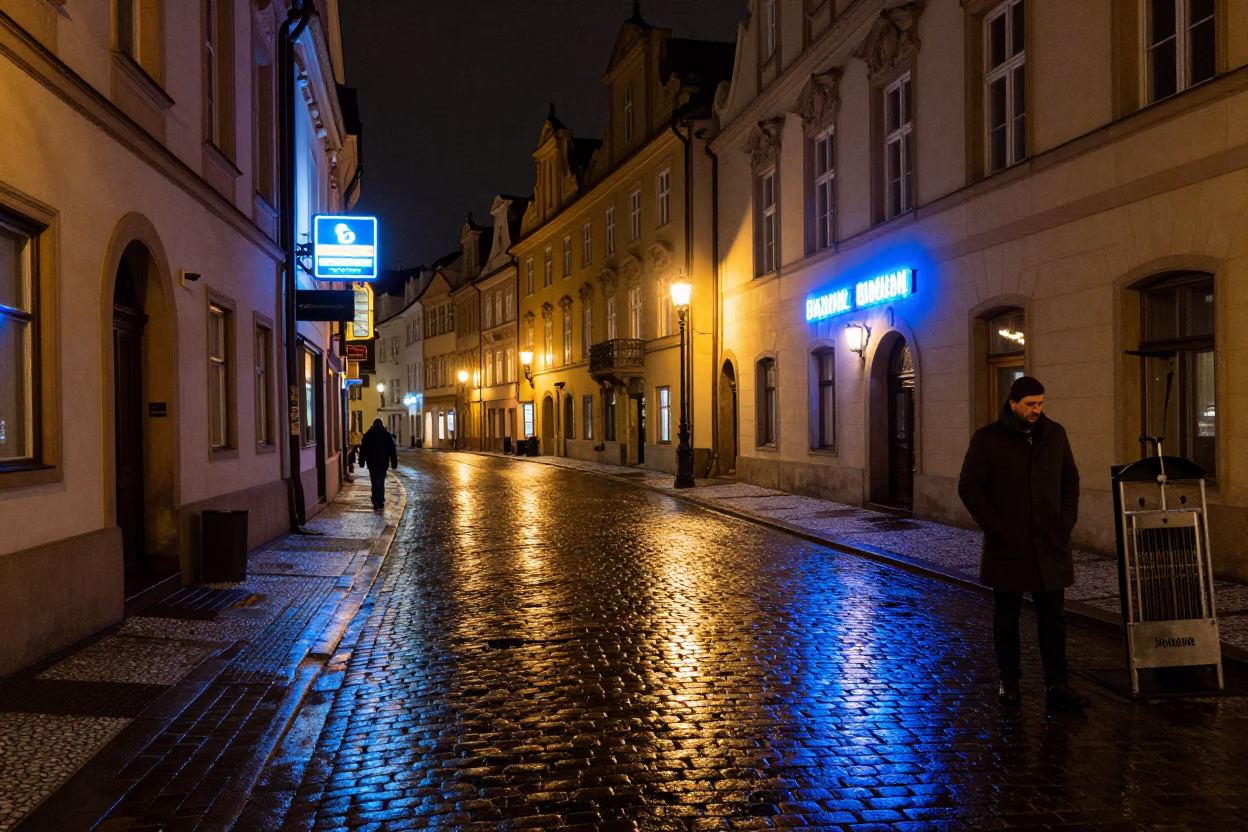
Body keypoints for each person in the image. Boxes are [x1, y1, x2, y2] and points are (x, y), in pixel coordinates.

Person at [958, 376, 1091, 712]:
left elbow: (1070, 481)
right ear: (1013, 404)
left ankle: (1058, 684)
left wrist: (1065, 522)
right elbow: (970, 487)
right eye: (1030, 404)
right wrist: (996, 526)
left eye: (1040, 403)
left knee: (1054, 619)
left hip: (1050, 544)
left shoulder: (1054, 435)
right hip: (1009, 546)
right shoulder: (988, 439)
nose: (1036, 409)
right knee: (1006, 618)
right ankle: (1010, 681)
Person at [359, 418, 398, 510]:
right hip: (383, 463)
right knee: (381, 482)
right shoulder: (386, 435)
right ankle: (380, 502)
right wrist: (394, 463)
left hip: (372, 463)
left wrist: (361, 462)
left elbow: (363, 449)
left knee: (374, 482)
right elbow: (392, 450)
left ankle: (375, 501)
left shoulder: (368, 435)